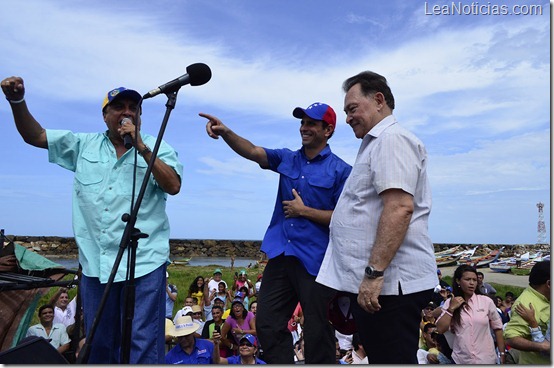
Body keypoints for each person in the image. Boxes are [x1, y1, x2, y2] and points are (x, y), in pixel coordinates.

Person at [1, 77, 183, 364]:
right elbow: (35, 136)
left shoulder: (157, 146)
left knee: (144, 342)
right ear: (105, 115)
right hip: (96, 264)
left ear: (139, 114)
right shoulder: (83, 145)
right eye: (118, 106)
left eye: (133, 107)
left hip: (146, 262)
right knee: (100, 341)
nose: (127, 112)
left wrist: (141, 147)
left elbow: (173, 185)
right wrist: (17, 102)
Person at [200, 102, 351, 364]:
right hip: (282, 254)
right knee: (268, 323)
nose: (304, 128)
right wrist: (226, 132)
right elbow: (253, 151)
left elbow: (345, 220)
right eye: (302, 122)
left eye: (311, 123)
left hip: (316, 261)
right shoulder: (287, 158)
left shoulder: (341, 170)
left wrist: (305, 211)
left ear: (328, 130)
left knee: (317, 329)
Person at [316, 70, 437, 364]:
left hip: (390, 287)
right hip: (381, 286)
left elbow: (399, 207)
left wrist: (373, 274)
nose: (347, 118)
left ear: (379, 100)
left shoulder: (391, 139)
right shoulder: (375, 144)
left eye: (352, 109)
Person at [435, 265, 505, 364]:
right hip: (461, 359)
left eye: (474, 280)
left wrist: (501, 353)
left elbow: (498, 328)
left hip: (486, 359)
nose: (472, 283)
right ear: (458, 281)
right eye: (467, 279)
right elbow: (440, 329)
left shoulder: (486, 301)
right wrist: (451, 309)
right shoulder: (450, 303)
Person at [504, 260, 550, 364]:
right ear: (549, 284)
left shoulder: (547, 297)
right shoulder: (525, 304)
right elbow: (511, 338)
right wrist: (541, 346)